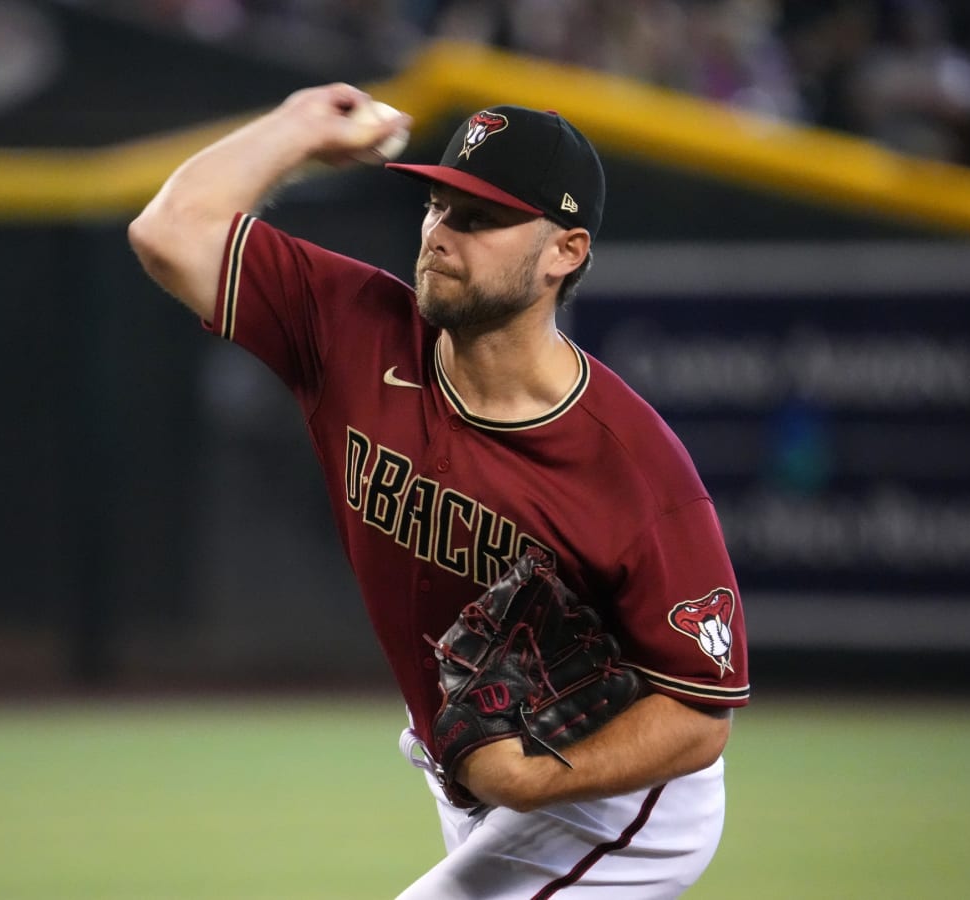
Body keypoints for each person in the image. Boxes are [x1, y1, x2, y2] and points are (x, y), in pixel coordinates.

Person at [128, 82, 750, 898]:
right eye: (439, 207)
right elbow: (168, 232)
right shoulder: (355, 330)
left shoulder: (634, 469)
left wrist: (531, 784)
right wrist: (294, 131)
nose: (442, 237)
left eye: (482, 219)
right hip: (471, 768)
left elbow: (701, 715)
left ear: (565, 251)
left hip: (621, 805)